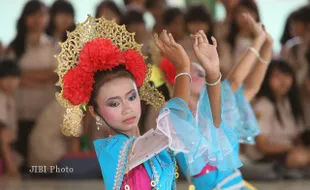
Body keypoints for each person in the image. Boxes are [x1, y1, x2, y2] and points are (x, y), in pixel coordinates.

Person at [55, 15, 241, 189]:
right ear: (95, 111)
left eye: (131, 97)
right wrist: (183, 69)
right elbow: (174, 123)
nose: (127, 108)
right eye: (114, 103)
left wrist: (213, 73)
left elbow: (213, 124)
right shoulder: (112, 151)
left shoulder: (155, 144)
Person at [157, 13, 273, 189]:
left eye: (202, 73)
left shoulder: (224, 110)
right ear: (177, 79)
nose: (198, 75)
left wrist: (264, 44)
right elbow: (232, 83)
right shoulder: (171, 114)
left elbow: (247, 86)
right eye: (192, 72)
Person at [6, 0, 59, 172]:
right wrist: (44, 75)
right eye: (32, 15)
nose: (38, 19)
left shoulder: (54, 46)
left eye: (42, 15)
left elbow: (57, 75)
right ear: (25, 18)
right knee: (21, 161)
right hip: (20, 111)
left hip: (45, 111)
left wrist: (24, 76)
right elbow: (9, 77)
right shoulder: (15, 47)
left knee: (40, 161)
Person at [246, 60, 310, 172]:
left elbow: (297, 138)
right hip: (264, 157)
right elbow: (262, 146)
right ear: (266, 79)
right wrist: (292, 148)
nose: (283, 80)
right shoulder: (263, 105)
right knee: (300, 157)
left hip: (288, 151)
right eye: (276, 76)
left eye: (287, 75)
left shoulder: (289, 103)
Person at [0, 59, 21, 178]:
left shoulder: (10, 99)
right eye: (5, 78)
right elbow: (3, 135)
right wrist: (11, 167)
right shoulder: (1, 98)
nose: (10, 82)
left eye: (14, 78)